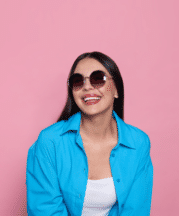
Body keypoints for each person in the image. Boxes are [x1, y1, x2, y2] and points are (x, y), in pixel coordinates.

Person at [26, 51, 153, 215]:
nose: (87, 86)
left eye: (98, 78)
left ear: (116, 90)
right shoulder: (50, 141)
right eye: (78, 81)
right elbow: (45, 210)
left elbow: (135, 210)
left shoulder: (138, 143)